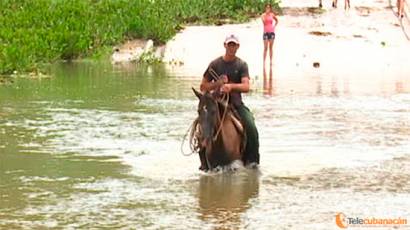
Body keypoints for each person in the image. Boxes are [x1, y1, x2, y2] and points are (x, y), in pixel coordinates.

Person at [199, 34, 260, 169]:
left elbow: (246, 86)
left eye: (234, 45)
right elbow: (203, 86)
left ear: (237, 46)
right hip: (216, 103)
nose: (231, 47)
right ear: (225, 45)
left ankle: (253, 161)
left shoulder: (241, 65)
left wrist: (231, 87)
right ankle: (203, 160)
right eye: (229, 44)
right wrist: (218, 84)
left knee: (251, 126)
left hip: (235, 104)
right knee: (202, 125)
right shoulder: (215, 64)